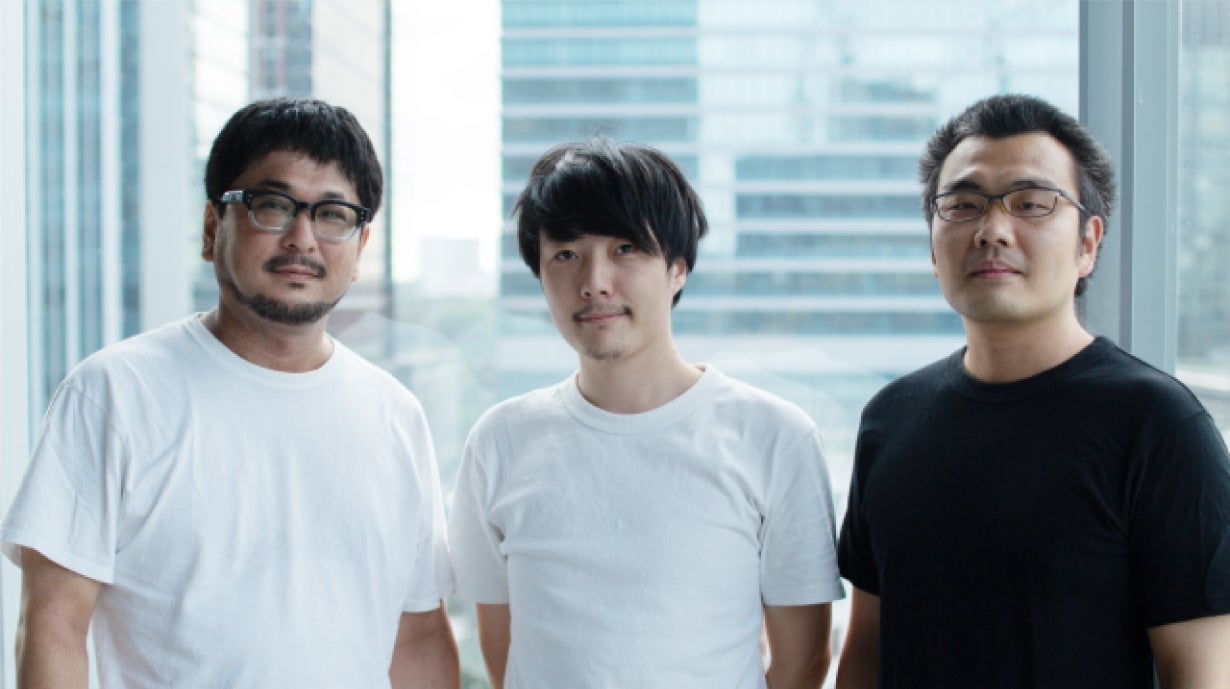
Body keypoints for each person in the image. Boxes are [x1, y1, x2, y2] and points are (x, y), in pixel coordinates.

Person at [2, 98, 458, 688]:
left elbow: (417, 638)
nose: (302, 239)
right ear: (213, 227)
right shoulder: (114, 393)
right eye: (273, 206)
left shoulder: (395, 415)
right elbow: (53, 625)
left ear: (361, 246)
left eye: (332, 215)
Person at [835, 93, 1230, 689]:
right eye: (963, 205)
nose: (992, 230)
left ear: (1087, 243)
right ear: (933, 249)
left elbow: (1200, 673)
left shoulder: (1158, 424)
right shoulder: (890, 419)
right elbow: (866, 653)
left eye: (1030, 203)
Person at [448, 138, 844, 689]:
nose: (594, 281)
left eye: (625, 248)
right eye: (566, 254)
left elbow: (803, 663)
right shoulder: (500, 440)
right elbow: (504, 651)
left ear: (678, 268)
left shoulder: (775, 436)